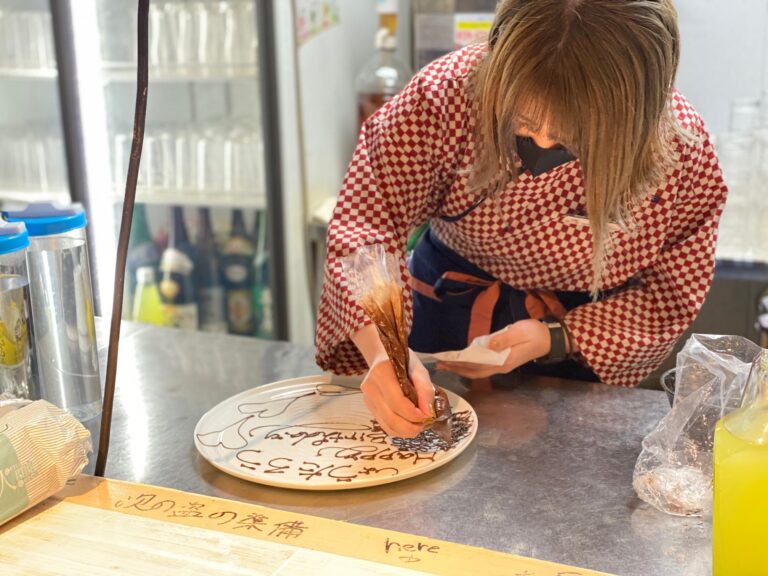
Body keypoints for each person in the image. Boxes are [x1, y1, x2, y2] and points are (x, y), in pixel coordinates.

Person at [315, 0, 728, 438]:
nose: (544, 141)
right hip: (446, 307)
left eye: (573, 135)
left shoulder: (678, 150)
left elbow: (669, 296)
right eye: (525, 122)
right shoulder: (445, 95)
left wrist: (553, 337)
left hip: (580, 340)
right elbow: (366, 223)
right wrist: (385, 351)